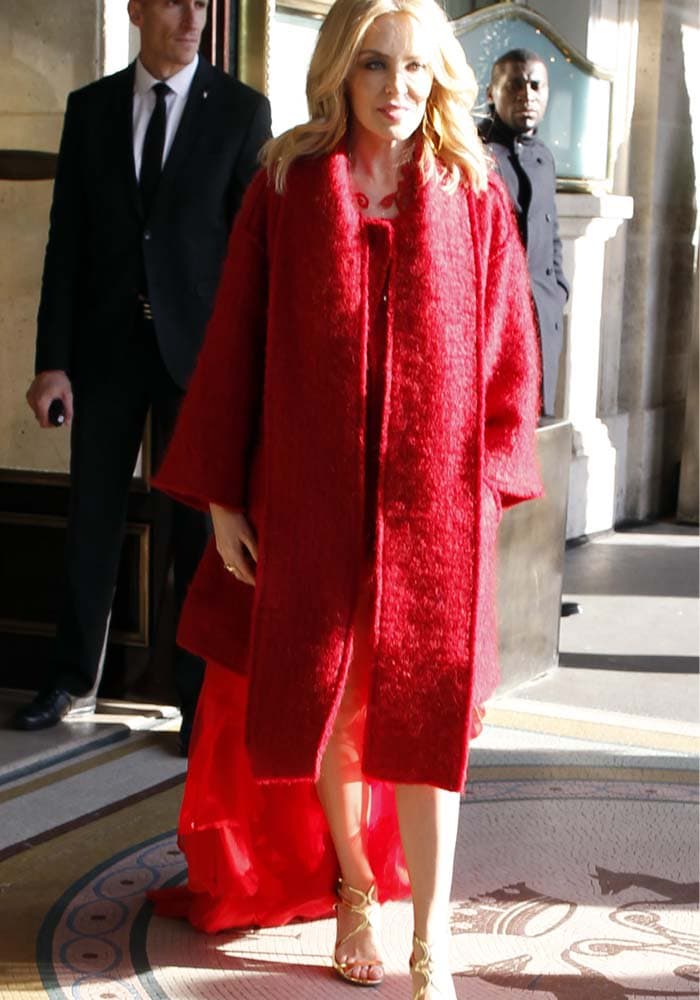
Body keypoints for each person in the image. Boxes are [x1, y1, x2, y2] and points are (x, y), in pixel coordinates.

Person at [148, 1, 542, 996]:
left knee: (429, 713)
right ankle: (357, 885)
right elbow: (234, 340)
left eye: (413, 68)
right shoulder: (287, 182)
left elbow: (509, 351)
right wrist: (223, 498)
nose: (395, 88)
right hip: (308, 494)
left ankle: (432, 938)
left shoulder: (470, 189)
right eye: (373, 65)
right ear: (338, 70)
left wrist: (491, 484)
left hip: (435, 504)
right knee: (336, 701)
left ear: (438, 75)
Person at [13, 0, 271, 751]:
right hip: (105, 354)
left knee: (196, 532)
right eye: (172, 0)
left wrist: (249, 372)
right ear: (134, 10)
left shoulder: (242, 112)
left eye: (201, 3)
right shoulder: (90, 109)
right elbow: (66, 243)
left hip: (201, 360)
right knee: (91, 517)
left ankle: (195, 701)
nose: (192, 17)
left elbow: (253, 257)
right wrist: (52, 363)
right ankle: (71, 679)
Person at [478, 49, 569, 418]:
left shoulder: (544, 157)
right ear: (491, 93)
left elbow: (552, 230)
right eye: (514, 84)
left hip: (542, 313)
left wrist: (558, 290)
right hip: (499, 319)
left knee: (540, 422)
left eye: (535, 85)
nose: (526, 94)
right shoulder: (476, 153)